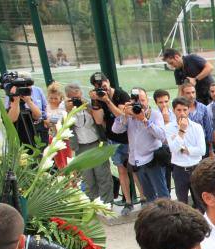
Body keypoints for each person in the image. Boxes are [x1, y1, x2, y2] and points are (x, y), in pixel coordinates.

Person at [88, 71, 138, 215]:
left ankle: (144, 199)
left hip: (129, 139)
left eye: (104, 84)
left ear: (108, 81)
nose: (103, 88)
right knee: (121, 171)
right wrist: (95, 101)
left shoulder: (121, 95)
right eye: (99, 86)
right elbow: (98, 120)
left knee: (135, 171)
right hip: (113, 140)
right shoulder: (98, 99)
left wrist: (108, 101)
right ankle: (128, 202)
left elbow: (122, 116)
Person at [112, 87, 170, 201]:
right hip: (137, 162)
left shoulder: (155, 114)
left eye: (142, 100)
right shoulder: (129, 115)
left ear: (147, 100)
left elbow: (162, 136)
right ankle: (154, 217)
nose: (140, 104)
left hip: (153, 160)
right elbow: (116, 130)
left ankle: (168, 217)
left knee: (162, 194)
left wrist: (145, 121)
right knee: (149, 195)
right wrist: (124, 114)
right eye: (137, 101)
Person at [64, 83, 114, 204]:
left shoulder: (89, 103)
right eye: (73, 97)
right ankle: (93, 204)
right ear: (67, 97)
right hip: (80, 147)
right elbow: (63, 127)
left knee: (103, 176)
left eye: (78, 96)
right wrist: (68, 111)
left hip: (97, 144)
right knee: (88, 179)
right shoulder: (64, 108)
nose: (76, 99)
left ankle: (107, 203)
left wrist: (88, 107)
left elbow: (99, 120)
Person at [165, 96, 205, 205]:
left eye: (185, 110)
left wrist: (185, 150)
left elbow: (202, 150)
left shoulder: (197, 127)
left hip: (196, 167)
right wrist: (181, 131)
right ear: (173, 111)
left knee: (200, 201)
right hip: (179, 170)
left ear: (189, 110)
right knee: (182, 203)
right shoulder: (168, 128)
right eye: (178, 110)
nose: (182, 113)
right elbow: (173, 149)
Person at [180, 81, 214, 157]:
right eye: (188, 93)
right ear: (182, 94)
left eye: (193, 92)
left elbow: (208, 128)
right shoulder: (179, 110)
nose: (191, 95)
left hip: (202, 144)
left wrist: (211, 149)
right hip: (186, 145)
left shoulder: (203, 108)